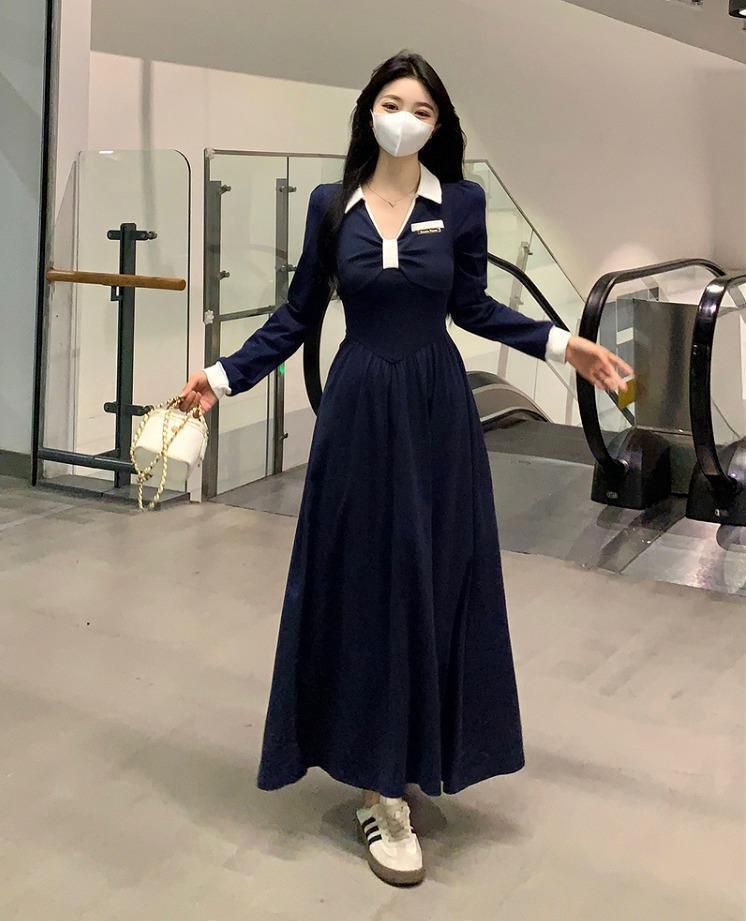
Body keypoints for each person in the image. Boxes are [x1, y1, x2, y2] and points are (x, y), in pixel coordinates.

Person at [180, 50, 633, 887]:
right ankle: (379, 786)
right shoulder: (330, 205)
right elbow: (297, 314)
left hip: (435, 413)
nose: (406, 119)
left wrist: (561, 343)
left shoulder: (461, 203)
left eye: (422, 110)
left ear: (439, 124)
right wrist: (221, 377)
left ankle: (408, 757)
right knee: (365, 581)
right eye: (393, 104)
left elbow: (473, 305)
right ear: (368, 112)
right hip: (358, 410)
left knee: (432, 579)